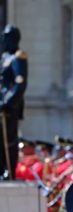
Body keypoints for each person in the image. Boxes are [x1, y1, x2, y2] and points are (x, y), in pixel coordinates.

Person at [0, 25, 28, 180]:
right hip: (1, 104)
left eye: (6, 37)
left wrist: (8, 102)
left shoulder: (18, 56)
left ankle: (9, 171)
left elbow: (20, 83)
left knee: (9, 139)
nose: (3, 40)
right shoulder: (5, 57)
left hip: (10, 106)